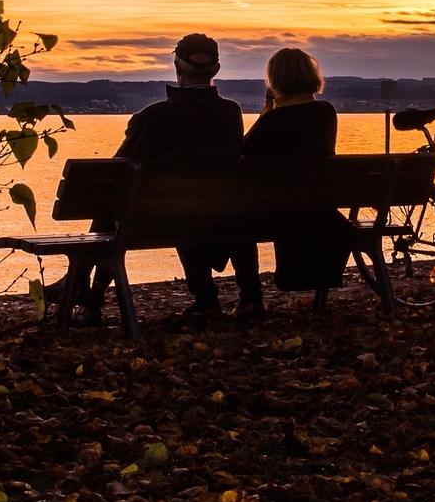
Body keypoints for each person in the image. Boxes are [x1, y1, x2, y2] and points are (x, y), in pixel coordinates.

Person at [74, 33, 257, 323]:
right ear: (216, 70)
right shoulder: (230, 113)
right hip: (222, 216)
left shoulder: (152, 116)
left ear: (177, 66)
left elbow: (113, 172)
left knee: (113, 204)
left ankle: (88, 296)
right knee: (169, 203)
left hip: (159, 220)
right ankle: (239, 299)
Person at [241, 47, 357, 300]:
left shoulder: (273, 120)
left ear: (274, 80)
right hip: (320, 207)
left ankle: (250, 299)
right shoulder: (326, 113)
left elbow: (244, 150)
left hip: (283, 211)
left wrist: (268, 106)